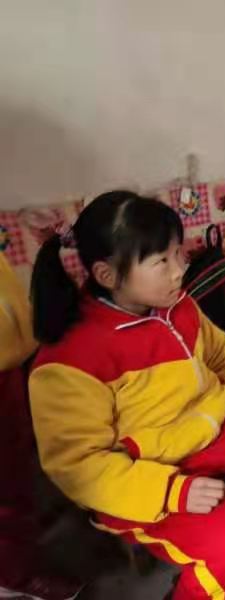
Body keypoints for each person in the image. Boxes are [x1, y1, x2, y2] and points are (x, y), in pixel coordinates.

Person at [28, 191, 225, 600]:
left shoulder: (179, 307)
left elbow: (224, 355)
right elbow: (78, 466)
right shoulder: (71, 357)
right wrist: (173, 492)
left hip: (218, 433)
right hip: (147, 473)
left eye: (178, 254)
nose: (180, 270)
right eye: (163, 261)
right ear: (107, 275)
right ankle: (219, 577)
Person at [0, 252, 83, 599]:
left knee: (16, 468)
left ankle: (16, 558)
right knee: (7, 481)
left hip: (9, 353)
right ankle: (13, 576)